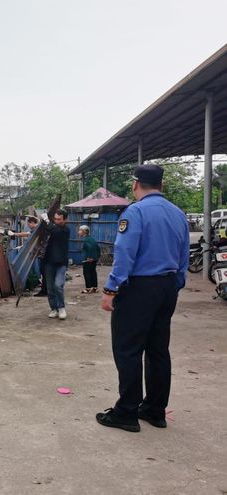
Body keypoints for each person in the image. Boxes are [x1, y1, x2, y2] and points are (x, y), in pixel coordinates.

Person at [97, 165, 189, 433]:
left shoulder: (135, 212)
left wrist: (111, 290)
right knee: (158, 349)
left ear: (136, 184)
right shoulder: (178, 214)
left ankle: (126, 412)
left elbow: (125, 254)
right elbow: (184, 255)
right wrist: (175, 284)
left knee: (128, 349)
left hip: (138, 288)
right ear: (162, 185)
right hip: (167, 287)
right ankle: (154, 409)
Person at [43, 209, 70, 319]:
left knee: (58, 285)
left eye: (59, 219)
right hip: (49, 262)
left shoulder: (65, 230)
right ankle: (54, 309)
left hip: (61, 263)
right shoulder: (52, 229)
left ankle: (61, 308)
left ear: (65, 220)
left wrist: (46, 220)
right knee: (49, 288)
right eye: (55, 219)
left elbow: (55, 231)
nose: (56, 221)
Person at [78, 225, 100, 293]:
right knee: (93, 272)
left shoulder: (86, 240)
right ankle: (94, 288)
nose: (78, 232)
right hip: (93, 259)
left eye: (80, 230)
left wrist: (89, 257)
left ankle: (88, 288)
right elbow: (98, 248)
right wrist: (96, 257)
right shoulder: (91, 239)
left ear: (84, 231)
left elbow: (90, 248)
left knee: (87, 273)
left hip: (88, 259)